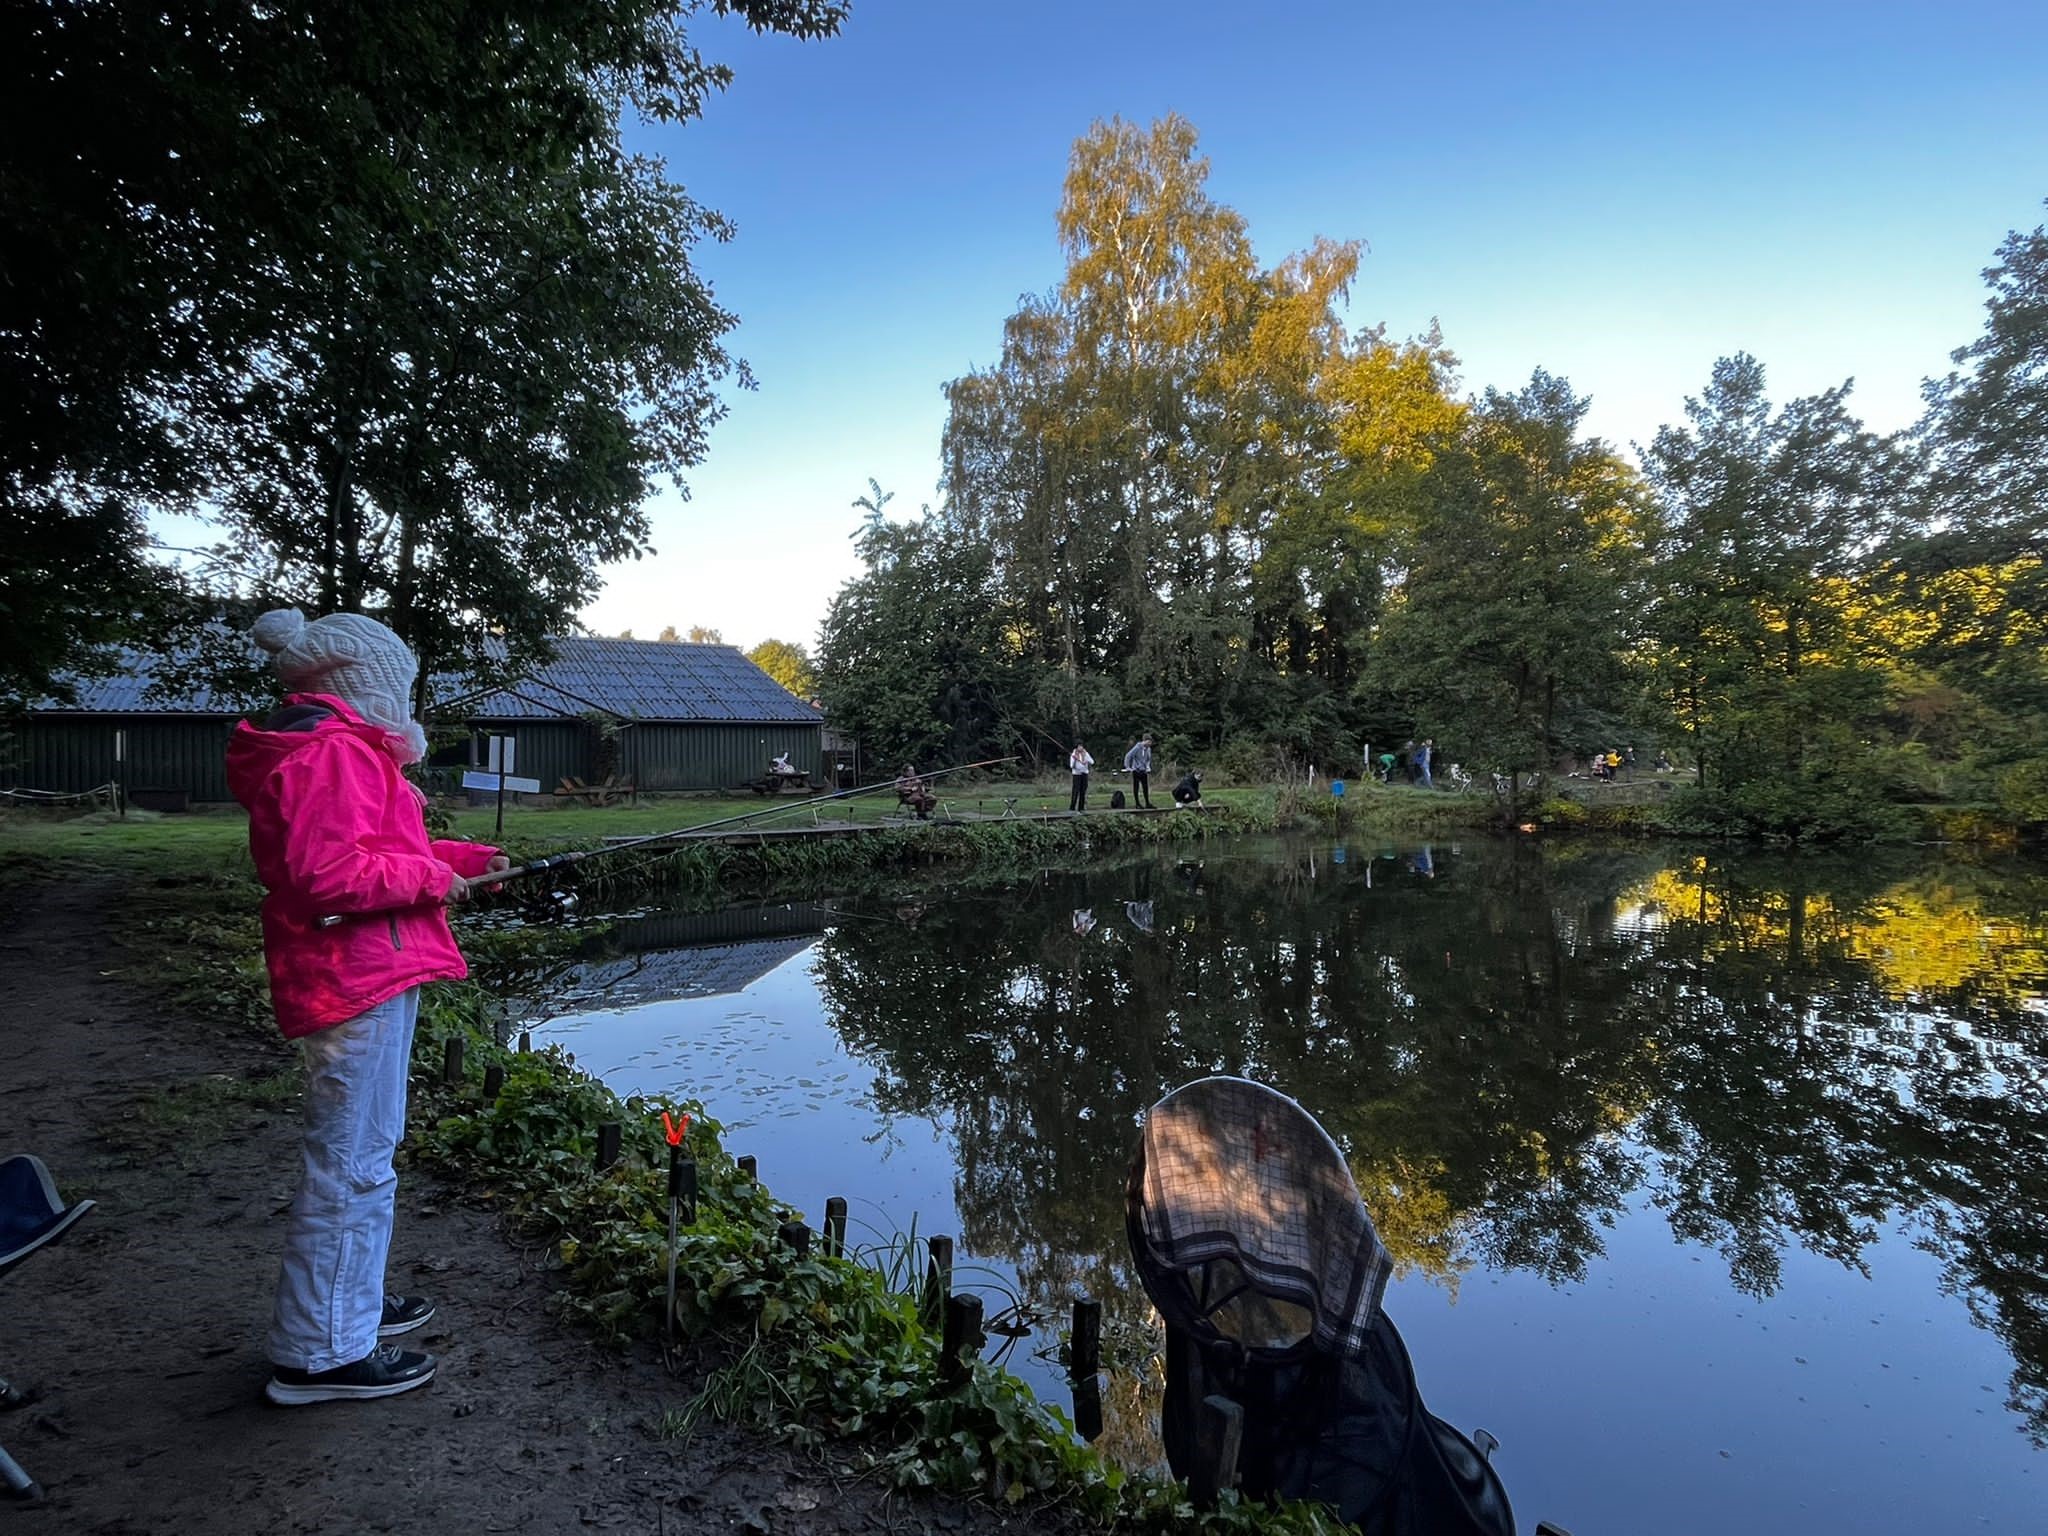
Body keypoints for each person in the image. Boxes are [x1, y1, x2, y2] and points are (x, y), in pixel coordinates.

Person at [226, 608, 510, 1407]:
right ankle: (319, 1354)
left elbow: (382, 850)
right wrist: (431, 880)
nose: (404, 698)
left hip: (367, 970)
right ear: (362, 682)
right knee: (351, 1164)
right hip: (351, 977)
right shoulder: (330, 753)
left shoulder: (344, 749)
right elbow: (327, 877)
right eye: (399, 683)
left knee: (365, 1155)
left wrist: (468, 861)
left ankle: (344, 1310)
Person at [1122, 735, 1155, 808]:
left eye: (1151, 742)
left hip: (1143, 771)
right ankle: (1137, 804)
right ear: (1145, 741)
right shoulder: (1137, 748)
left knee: (1145, 787)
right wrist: (1127, 767)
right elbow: (1128, 756)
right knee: (1136, 787)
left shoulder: (1148, 749)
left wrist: (1148, 767)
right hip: (1136, 770)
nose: (1150, 744)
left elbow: (1148, 760)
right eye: (1149, 742)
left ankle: (1147, 803)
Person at [1069, 741, 1095, 813]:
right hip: (1076, 774)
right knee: (1075, 791)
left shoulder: (1085, 753)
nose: (1080, 748)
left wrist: (1086, 760)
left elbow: (1092, 761)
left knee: (1083, 791)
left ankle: (1081, 807)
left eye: (1081, 746)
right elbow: (1071, 766)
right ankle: (1072, 807)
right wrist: (1075, 759)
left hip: (1084, 773)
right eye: (1079, 746)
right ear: (1076, 747)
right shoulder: (1073, 754)